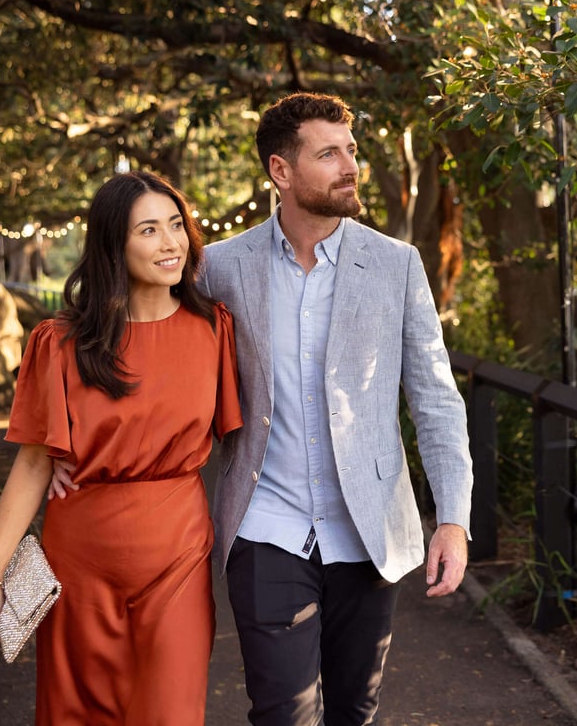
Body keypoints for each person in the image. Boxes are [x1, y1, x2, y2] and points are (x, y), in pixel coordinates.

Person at [203, 91, 474, 726]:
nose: (350, 165)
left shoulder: (395, 265)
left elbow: (435, 398)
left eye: (351, 150)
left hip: (368, 532)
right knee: (282, 714)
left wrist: (453, 520)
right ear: (281, 171)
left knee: (354, 710)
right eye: (329, 154)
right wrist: (83, 451)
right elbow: (156, 356)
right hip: (266, 527)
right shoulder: (219, 268)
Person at [0, 170, 243, 725]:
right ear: (112, 246)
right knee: (77, 715)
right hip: (79, 565)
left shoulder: (214, 329)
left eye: (176, 226)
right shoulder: (61, 343)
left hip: (178, 559)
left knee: (171, 712)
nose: (170, 243)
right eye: (148, 230)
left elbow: (252, 438)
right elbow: (31, 464)